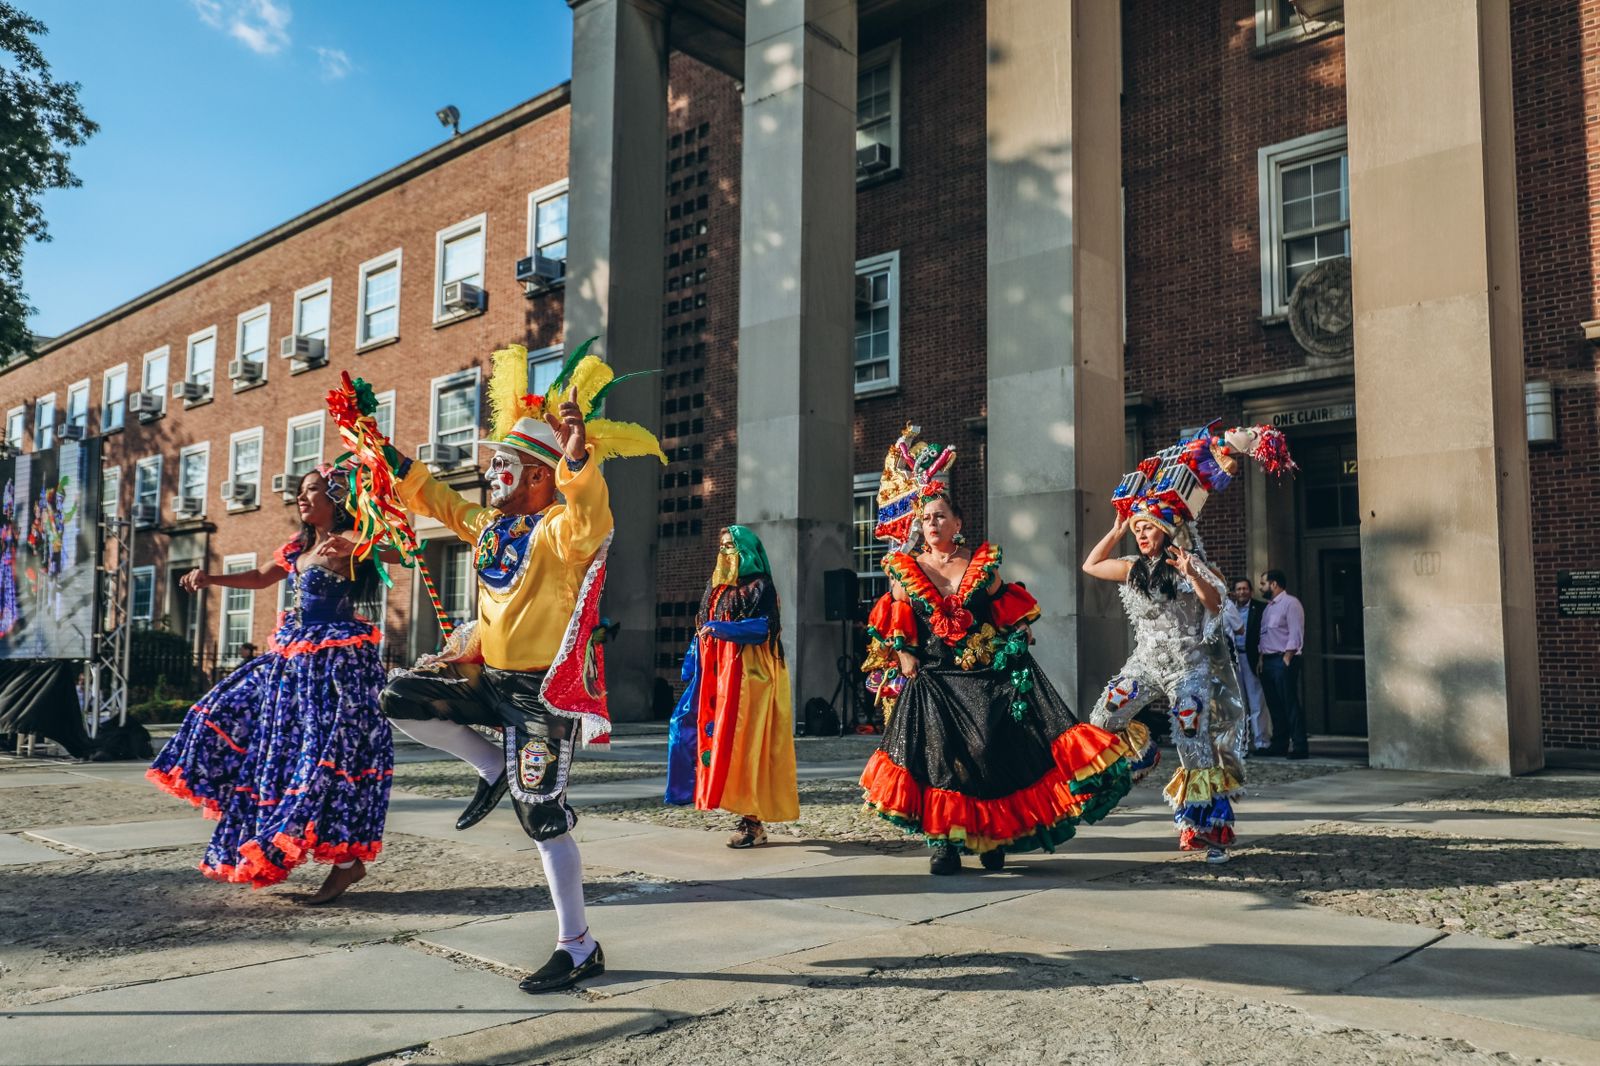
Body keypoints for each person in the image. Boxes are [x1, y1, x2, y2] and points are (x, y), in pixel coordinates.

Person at [376, 341, 663, 995]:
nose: (492, 475)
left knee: (542, 813)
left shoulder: (559, 530)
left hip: (539, 697)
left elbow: (592, 515)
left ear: (538, 476)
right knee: (401, 697)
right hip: (487, 681)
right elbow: (440, 500)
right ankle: (490, 768)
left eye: (504, 466)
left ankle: (578, 945)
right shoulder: (489, 528)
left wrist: (576, 458)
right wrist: (386, 453)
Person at [858, 426, 1132, 875]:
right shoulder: (903, 570)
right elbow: (895, 625)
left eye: (941, 515)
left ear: (958, 523)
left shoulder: (982, 565)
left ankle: (991, 836)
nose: (933, 523)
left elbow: (1012, 614)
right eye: (926, 517)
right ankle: (944, 843)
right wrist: (904, 655)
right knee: (941, 759)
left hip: (986, 675)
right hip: (935, 677)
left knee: (989, 752)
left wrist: (1018, 638)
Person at [148, 466, 392, 904]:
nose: (302, 497)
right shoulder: (300, 545)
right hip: (293, 661)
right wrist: (211, 579)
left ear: (337, 497)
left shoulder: (352, 539)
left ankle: (344, 864)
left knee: (323, 757)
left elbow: (401, 554)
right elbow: (262, 578)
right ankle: (330, 857)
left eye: (312, 490)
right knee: (230, 715)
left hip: (336, 664)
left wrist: (365, 541)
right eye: (299, 491)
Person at [1084, 423, 1295, 863]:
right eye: (1137, 529)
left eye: (1148, 527)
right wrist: (1118, 527)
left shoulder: (1189, 564)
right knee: (1103, 715)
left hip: (1188, 668)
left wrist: (1192, 571)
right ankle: (1141, 755)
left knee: (1191, 735)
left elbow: (1217, 605)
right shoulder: (1131, 566)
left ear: (1167, 528)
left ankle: (1207, 828)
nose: (1142, 535)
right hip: (1145, 664)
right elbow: (1091, 565)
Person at [664, 525, 799, 847]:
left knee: (747, 746)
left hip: (752, 678)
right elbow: (701, 630)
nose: (726, 553)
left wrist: (722, 629)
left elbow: (763, 629)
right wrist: (691, 663)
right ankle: (704, 795)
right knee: (692, 732)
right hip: (715, 676)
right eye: (722, 546)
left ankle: (752, 822)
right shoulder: (714, 590)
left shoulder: (760, 587)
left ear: (748, 552)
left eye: (732, 547)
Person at [1258, 569, 1307, 758]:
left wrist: (1287, 657)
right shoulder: (1269, 607)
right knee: (1275, 705)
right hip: (1268, 661)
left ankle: (1300, 746)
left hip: (1283, 660)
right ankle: (1279, 744)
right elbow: (1265, 636)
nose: (1261, 588)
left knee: (1290, 703)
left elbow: (1296, 633)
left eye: (1263, 584)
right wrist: (1262, 659)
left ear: (1274, 584)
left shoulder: (1291, 604)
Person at [1224, 577, 1272, 753]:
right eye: (1238, 589)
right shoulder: (1228, 608)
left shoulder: (1260, 608)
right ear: (1234, 592)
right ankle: (1242, 743)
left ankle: (1262, 742)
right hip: (1233, 660)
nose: (1242, 592)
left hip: (1251, 658)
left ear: (1250, 591)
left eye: (1245, 589)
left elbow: (1265, 633)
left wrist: (1261, 656)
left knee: (1256, 701)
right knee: (1239, 703)